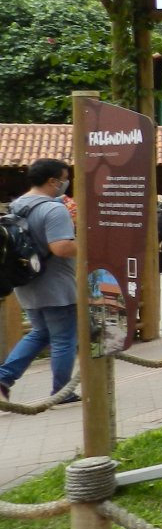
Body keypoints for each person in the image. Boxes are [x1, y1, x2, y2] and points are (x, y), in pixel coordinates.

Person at [0, 159, 79, 404]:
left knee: (40, 332)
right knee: (64, 337)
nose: (66, 183)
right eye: (65, 178)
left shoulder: (17, 206)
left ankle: (4, 376)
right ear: (53, 181)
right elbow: (61, 247)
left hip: (26, 282)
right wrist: (89, 245)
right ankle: (62, 390)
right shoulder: (54, 209)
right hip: (56, 284)